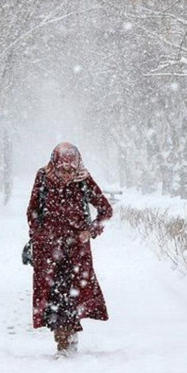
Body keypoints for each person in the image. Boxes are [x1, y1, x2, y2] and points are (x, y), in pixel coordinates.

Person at [26, 142, 113, 357]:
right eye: (63, 169)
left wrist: (90, 231)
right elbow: (33, 210)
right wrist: (39, 235)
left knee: (71, 296)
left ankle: (67, 341)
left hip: (77, 252)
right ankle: (63, 340)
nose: (66, 175)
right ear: (55, 163)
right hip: (48, 251)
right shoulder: (43, 177)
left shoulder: (83, 180)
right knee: (53, 297)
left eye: (71, 170)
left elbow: (105, 210)